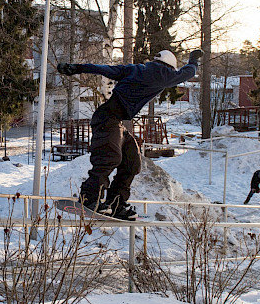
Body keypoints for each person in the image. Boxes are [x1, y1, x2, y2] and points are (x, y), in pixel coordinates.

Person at [57, 48, 201, 220]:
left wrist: (77, 68)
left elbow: (104, 69)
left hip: (114, 120)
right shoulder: (163, 73)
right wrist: (193, 60)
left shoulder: (136, 69)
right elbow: (187, 73)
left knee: (132, 161)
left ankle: (115, 203)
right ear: (170, 67)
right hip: (108, 119)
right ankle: (89, 197)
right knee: (110, 157)